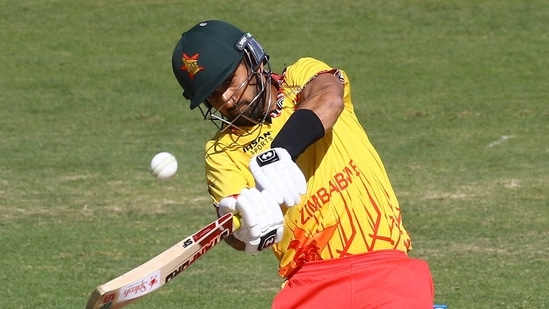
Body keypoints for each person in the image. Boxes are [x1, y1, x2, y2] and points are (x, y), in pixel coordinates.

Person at [171, 20, 434, 309]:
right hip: (308, 282)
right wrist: (246, 226)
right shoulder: (221, 152)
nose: (226, 98)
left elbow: (328, 98)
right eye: (212, 94)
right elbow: (234, 229)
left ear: (252, 58)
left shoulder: (300, 78)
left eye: (227, 81)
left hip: (383, 266)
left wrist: (280, 153)